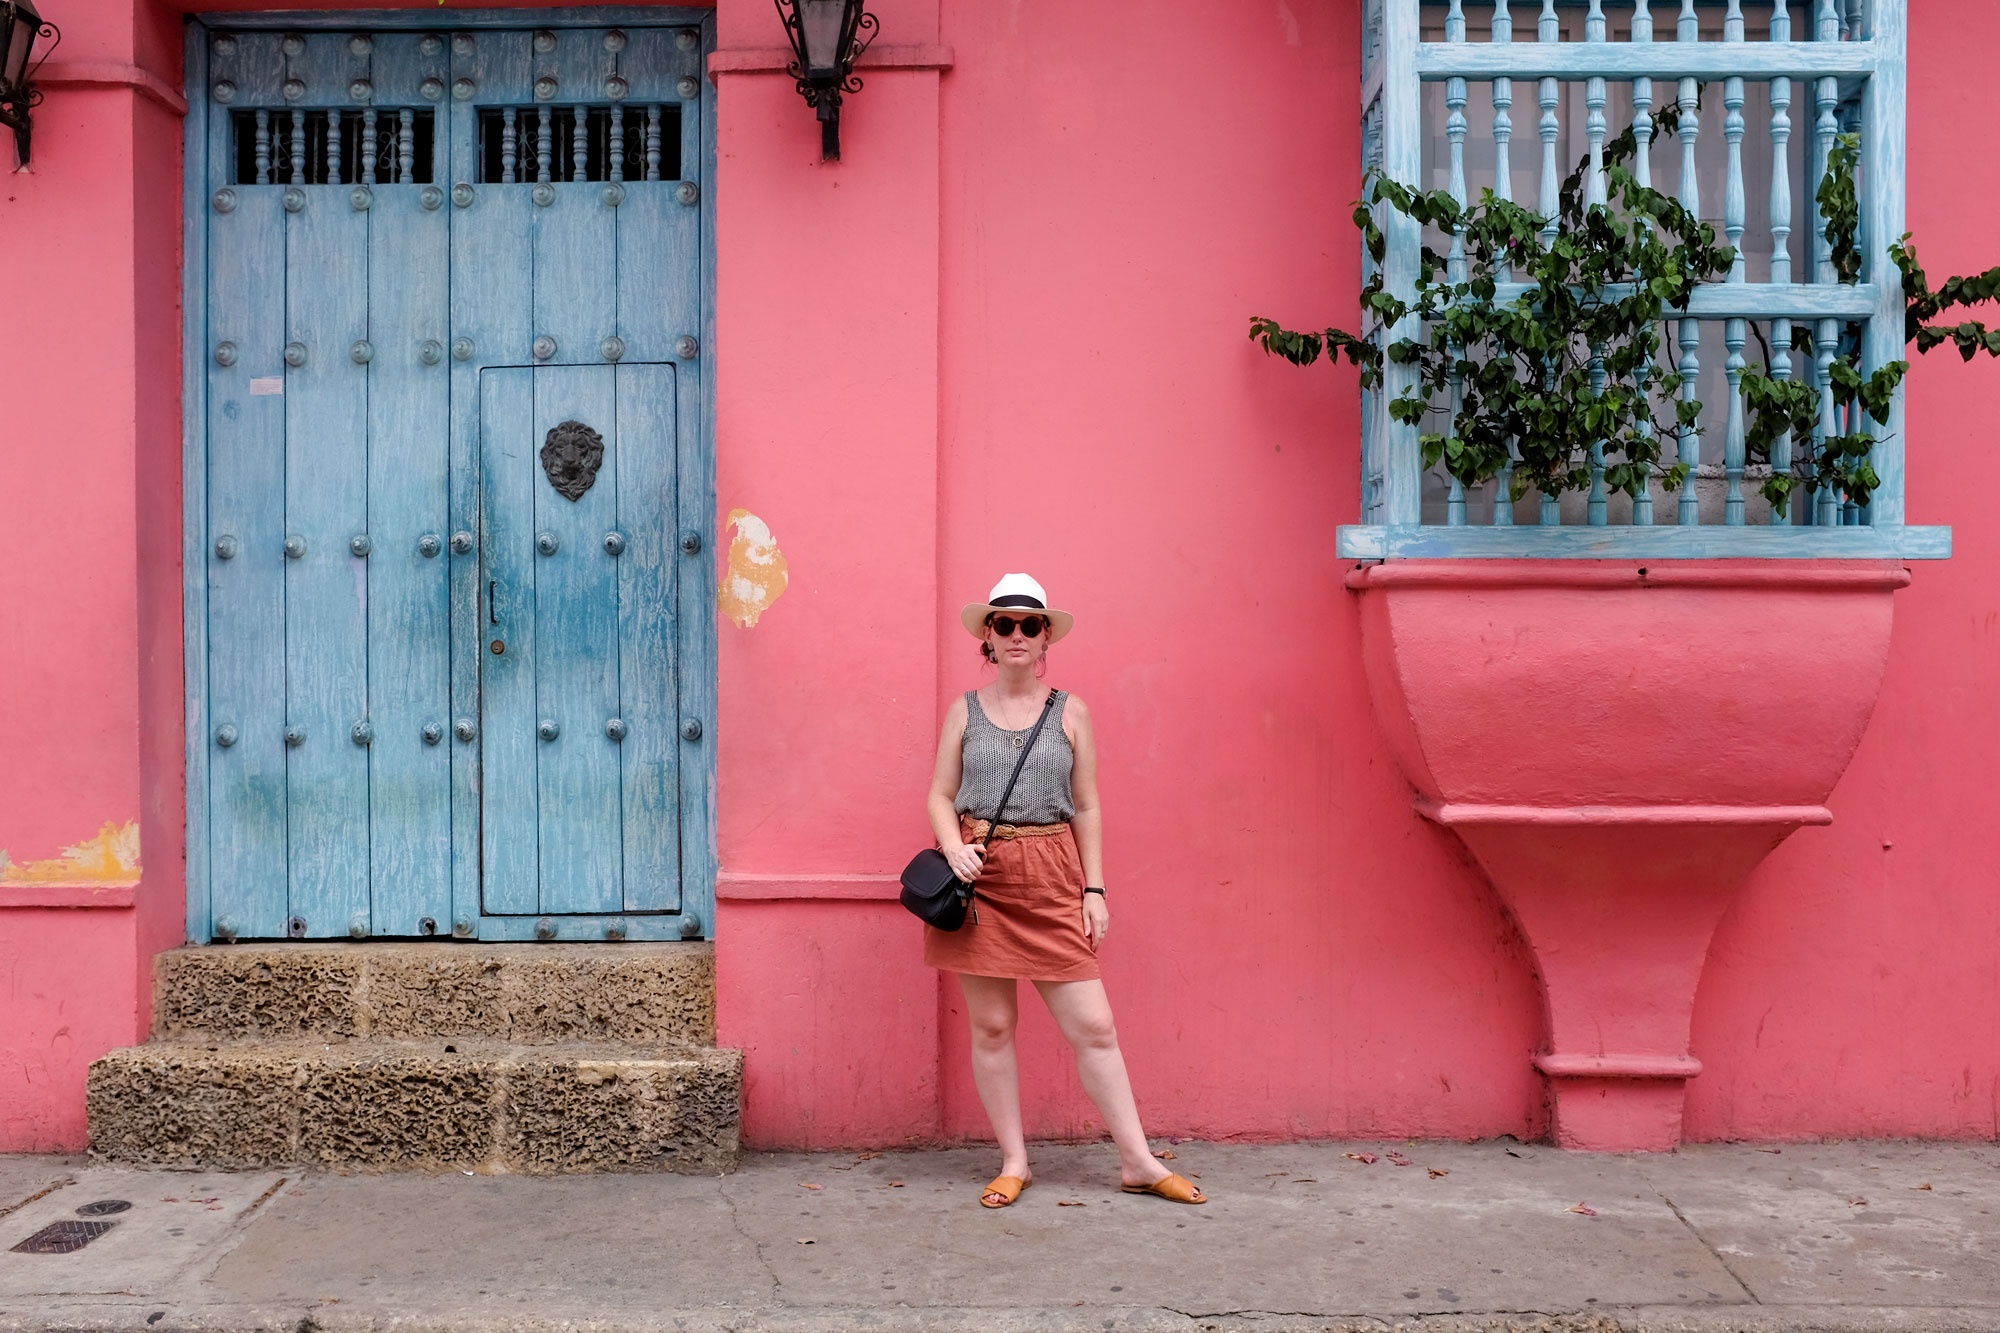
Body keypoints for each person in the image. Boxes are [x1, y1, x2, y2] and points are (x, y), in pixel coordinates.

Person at [923, 573, 1205, 1209]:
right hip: (981, 878)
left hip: (1052, 873)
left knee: (1095, 1027)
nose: (1016, 634)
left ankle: (1137, 1161)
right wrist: (952, 847)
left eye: (1030, 624)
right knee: (993, 1026)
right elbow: (940, 794)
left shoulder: (1071, 711)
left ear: (1046, 635)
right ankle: (1014, 1161)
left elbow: (1086, 804)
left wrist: (1094, 888)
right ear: (987, 639)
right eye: (1004, 624)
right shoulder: (963, 711)